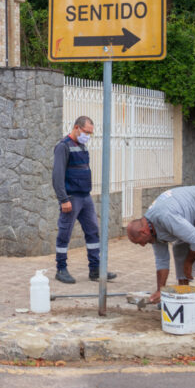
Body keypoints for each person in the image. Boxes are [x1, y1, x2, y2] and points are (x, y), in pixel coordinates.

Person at [126, 186, 195, 326]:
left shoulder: (164, 217)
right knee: (179, 248)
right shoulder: (151, 229)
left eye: (139, 242)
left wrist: (188, 263)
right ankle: (183, 298)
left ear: (143, 232)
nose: (142, 245)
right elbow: (161, 260)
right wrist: (161, 290)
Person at [52, 116, 117, 284]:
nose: (88, 135)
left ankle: (95, 269)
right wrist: (63, 199)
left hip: (85, 197)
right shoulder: (63, 146)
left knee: (93, 231)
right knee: (65, 233)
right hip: (72, 198)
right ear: (76, 128)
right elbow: (57, 176)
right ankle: (61, 268)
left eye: (90, 133)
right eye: (86, 132)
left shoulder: (81, 145)